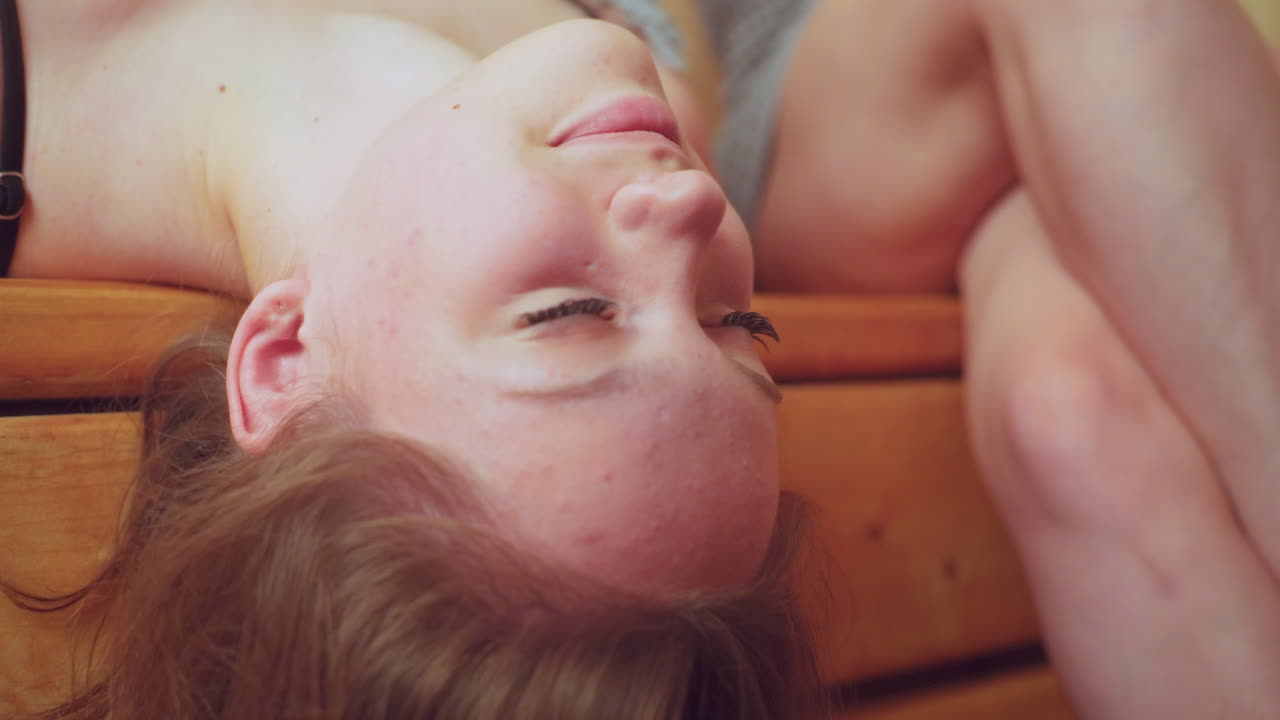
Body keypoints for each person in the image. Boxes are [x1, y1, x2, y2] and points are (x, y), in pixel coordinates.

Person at [3, 0, 1279, 717]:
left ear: (281, 360)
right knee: (1079, 402)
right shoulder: (592, 139)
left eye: (567, 315)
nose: (690, 217)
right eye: (742, 326)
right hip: (835, 120)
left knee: (1079, 399)